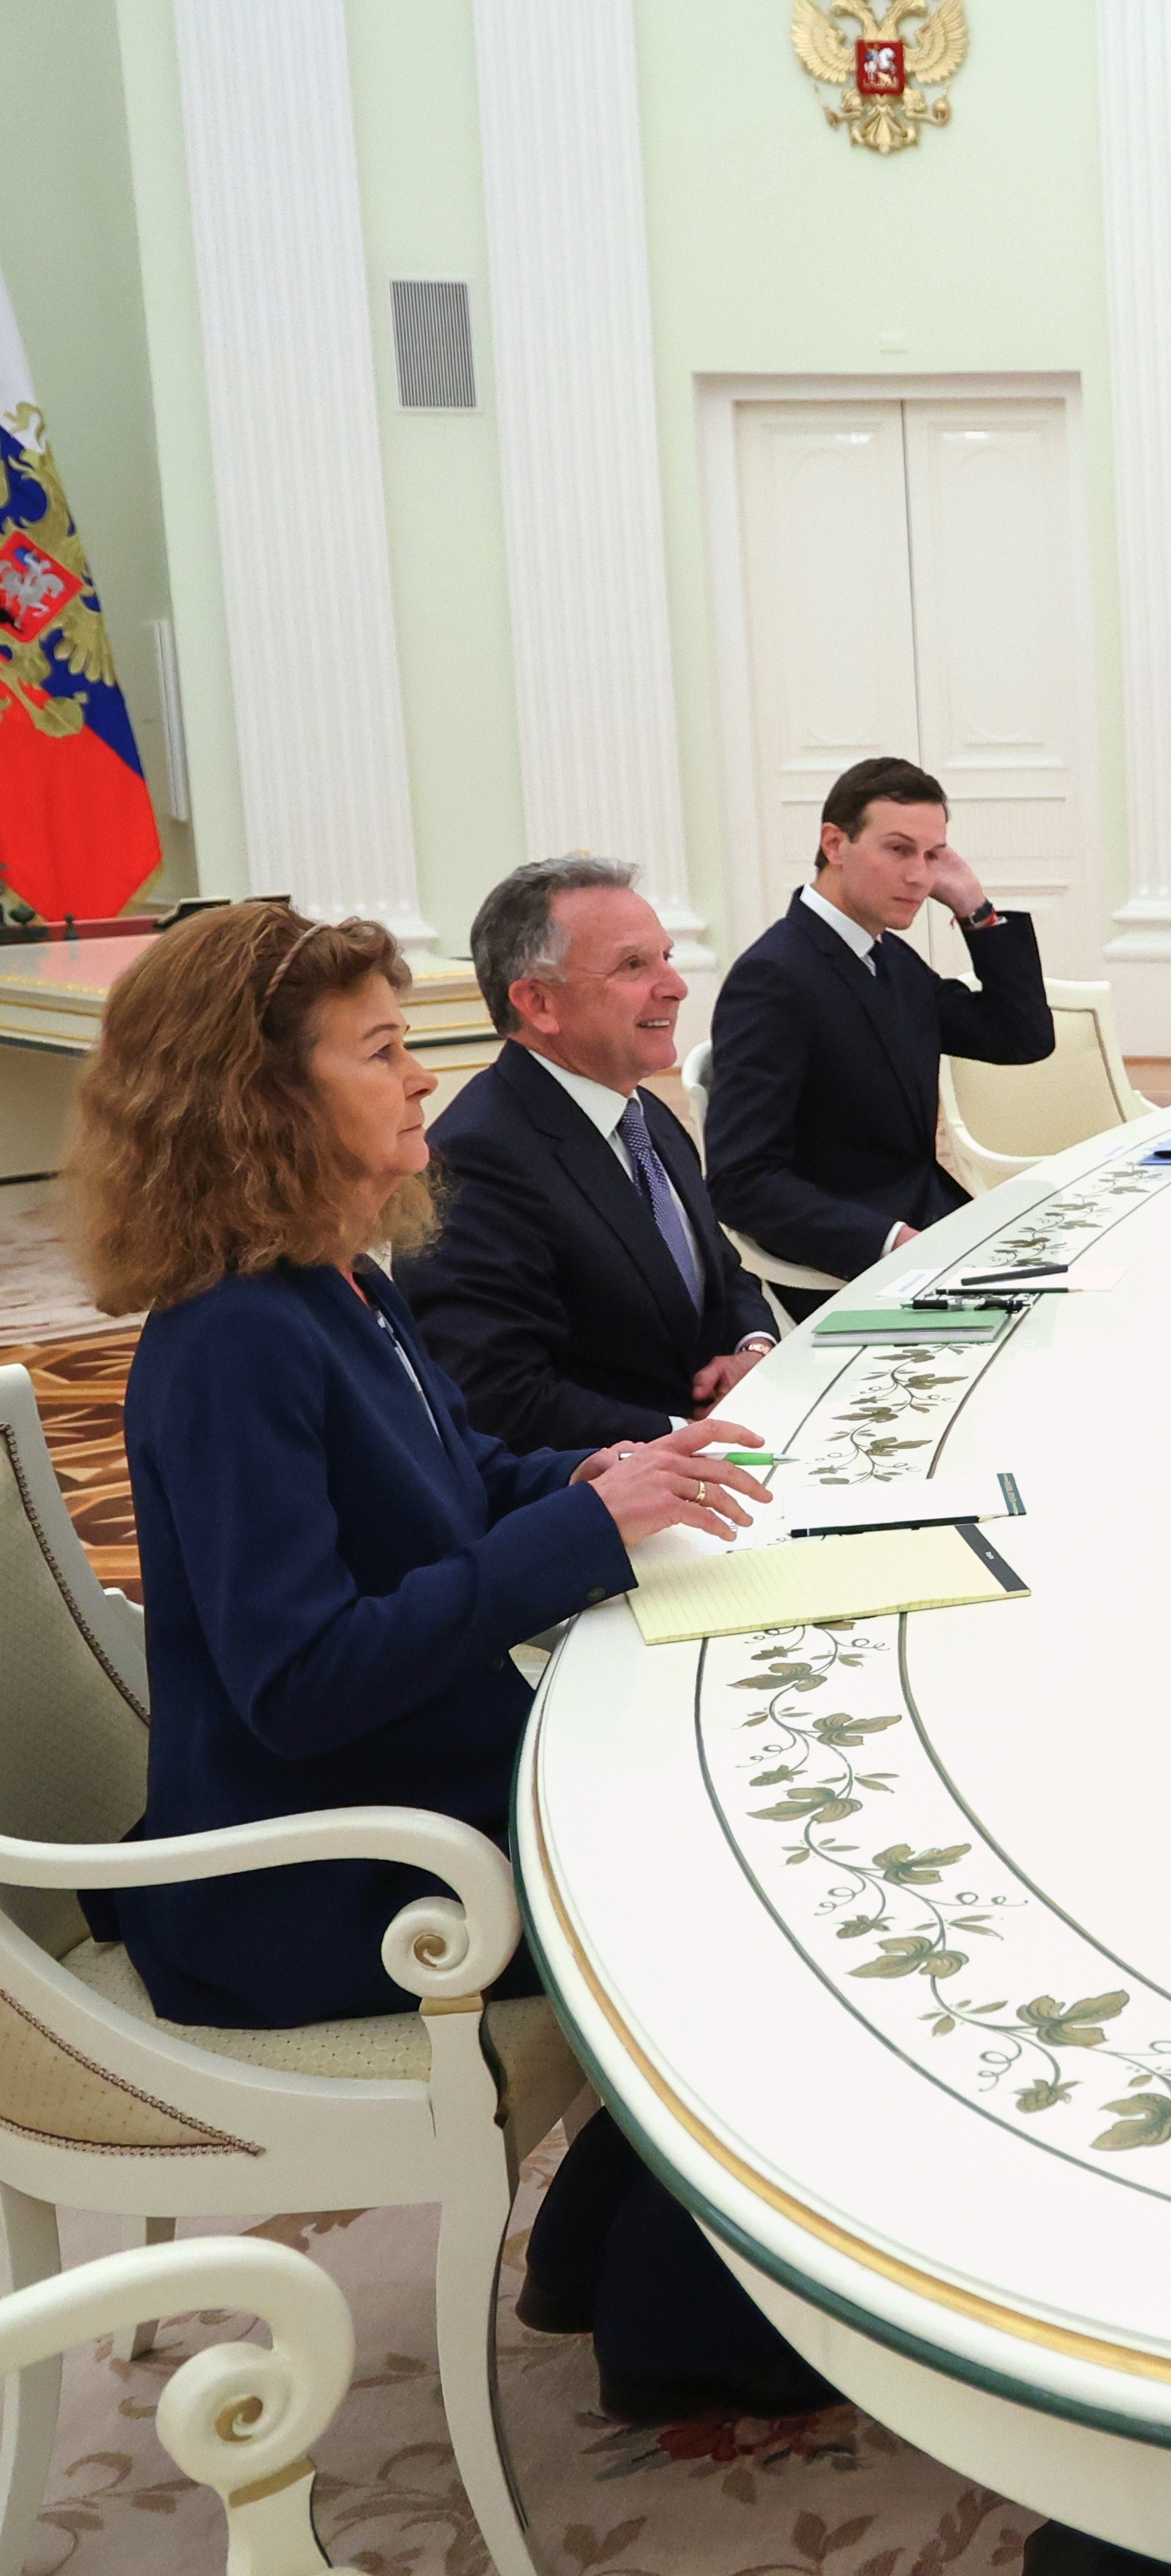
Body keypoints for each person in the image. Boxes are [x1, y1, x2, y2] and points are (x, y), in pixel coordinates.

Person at [66, 903, 836, 2423]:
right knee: (746, 1879)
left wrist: (602, 1470)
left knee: (727, 1828)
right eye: (381, 1051)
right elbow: (301, 1680)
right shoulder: (232, 1342)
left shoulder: (330, 1282)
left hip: (402, 1783)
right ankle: (681, 2323)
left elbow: (456, 1470)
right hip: (304, 1881)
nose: (423, 1080)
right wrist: (576, 1535)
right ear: (263, 1102)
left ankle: (604, 2254)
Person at [400, 856, 778, 1450]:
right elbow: (496, 1395)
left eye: (667, 959)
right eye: (633, 965)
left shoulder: (642, 1112)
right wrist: (690, 1436)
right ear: (539, 1003)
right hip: (609, 1492)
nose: (675, 987)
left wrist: (750, 1350)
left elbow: (722, 1274)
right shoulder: (475, 1158)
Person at [705, 755, 1054, 1304]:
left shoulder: (886, 956)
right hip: (852, 1269)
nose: (920, 875)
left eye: (932, 855)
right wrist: (890, 1242)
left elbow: (1020, 1037)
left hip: (930, 1226)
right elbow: (741, 1181)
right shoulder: (775, 977)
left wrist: (975, 909)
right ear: (835, 844)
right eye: (898, 850)